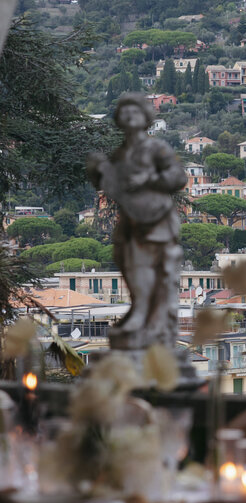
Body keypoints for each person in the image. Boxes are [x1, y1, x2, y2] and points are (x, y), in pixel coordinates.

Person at [87, 93, 186, 349]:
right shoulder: (119, 154)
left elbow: (178, 177)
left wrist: (148, 180)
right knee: (128, 265)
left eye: (135, 112)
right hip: (130, 219)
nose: (129, 116)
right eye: (125, 112)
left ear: (146, 118)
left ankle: (144, 315)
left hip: (155, 218)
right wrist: (98, 173)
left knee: (143, 264)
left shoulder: (157, 148)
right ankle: (138, 310)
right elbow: (112, 186)